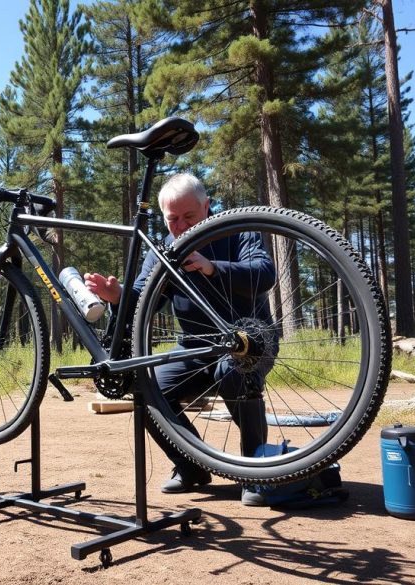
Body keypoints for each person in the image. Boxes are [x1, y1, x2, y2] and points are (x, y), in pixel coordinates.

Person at [84, 173, 276, 506]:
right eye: (173, 219)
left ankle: (254, 470)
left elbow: (265, 273)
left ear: (207, 206)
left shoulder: (238, 229)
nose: (182, 225)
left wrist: (211, 267)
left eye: (190, 216)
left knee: (232, 370)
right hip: (194, 347)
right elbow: (143, 298)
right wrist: (116, 296)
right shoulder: (162, 253)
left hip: (250, 340)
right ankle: (191, 467)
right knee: (144, 385)